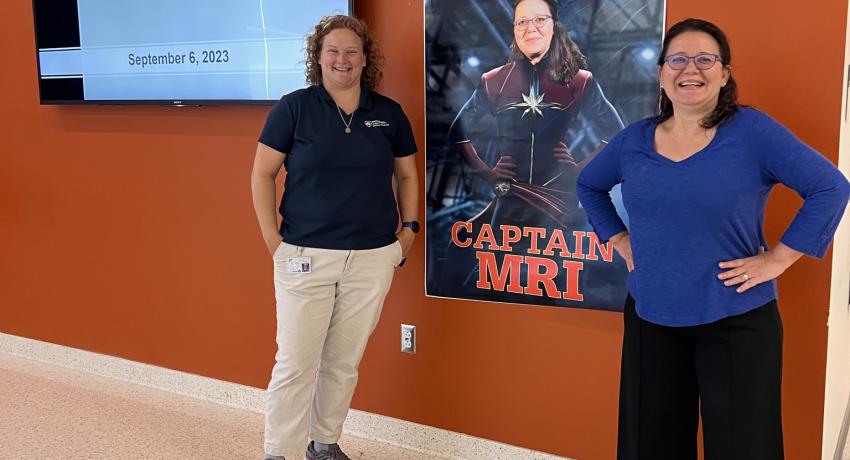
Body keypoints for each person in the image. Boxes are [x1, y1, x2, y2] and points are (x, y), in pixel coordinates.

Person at [576, 18, 850, 460]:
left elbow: (831, 187)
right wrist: (620, 240)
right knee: (651, 446)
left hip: (736, 319)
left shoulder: (753, 132)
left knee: (744, 449)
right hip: (651, 318)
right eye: (678, 59)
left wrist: (777, 260)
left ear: (725, 74)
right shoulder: (634, 140)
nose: (692, 68)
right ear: (662, 72)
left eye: (706, 59)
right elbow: (589, 184)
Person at [250, 15, 418, 460]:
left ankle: (323, 444)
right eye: (333, 51)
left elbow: (406, 175)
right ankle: (279, 452)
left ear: (365, 59)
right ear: (318, 58)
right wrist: (275, 242)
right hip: (304, 255)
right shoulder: (294, 108)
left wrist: (409, 232)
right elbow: (262, 174)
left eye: (351, 51)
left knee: (342, 365)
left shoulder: (388, 114)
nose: (342, 59)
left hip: (372, 257)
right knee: (295, 364)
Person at [441, 0, 626, 307]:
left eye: (540, 19)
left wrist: (580, 171)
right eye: (522, 22)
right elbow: (457, 132)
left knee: (544, 285)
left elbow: (616, 134)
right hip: (508, 196)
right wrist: (487, 172)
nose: (531, 28)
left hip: (557, 200)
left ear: (554, 25)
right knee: (482, 276)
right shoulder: (494, 80)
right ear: (514, 31)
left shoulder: (580, 81)